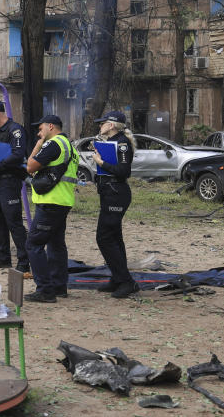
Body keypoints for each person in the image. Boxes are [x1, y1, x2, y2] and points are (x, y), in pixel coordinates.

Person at [23, 115, 79, 303]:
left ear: (50, 126)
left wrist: (38, 146)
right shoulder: (69, 145)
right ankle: (58, 286)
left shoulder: (53, 144)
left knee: (33, 244)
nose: (39, 134)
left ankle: (45, 290)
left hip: (50, 202)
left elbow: (30, 167)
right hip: (63, 201)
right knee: (56, 244)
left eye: (40, 130)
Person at [91, 110, 140, 299]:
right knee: (115, 238)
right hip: (109, 193)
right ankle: (118, 278)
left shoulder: (122, 143)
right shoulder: (112, 142)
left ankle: (126, 281)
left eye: (102, 123)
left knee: (104, 238)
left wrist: (101, 162)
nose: (99, 125)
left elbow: (123, 171)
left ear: (111, 125)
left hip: (116, 194)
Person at [0, 100, 29, 272]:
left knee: (14, 222)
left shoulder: (15, 130)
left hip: (10, 182)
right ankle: (3, 256)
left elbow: (18, 155)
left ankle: (24, 261)